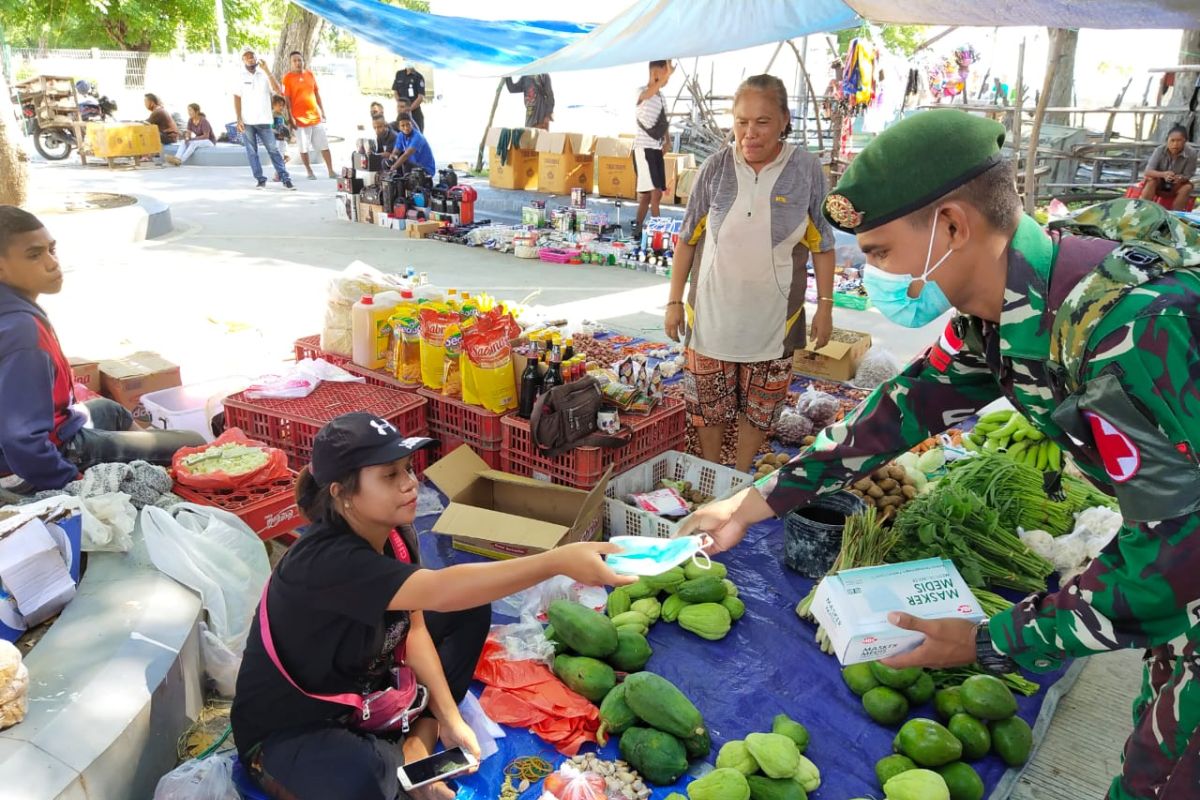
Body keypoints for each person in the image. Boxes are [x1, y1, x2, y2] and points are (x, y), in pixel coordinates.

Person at [678, 109, 1200, 800]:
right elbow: (898, 411)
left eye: (883, 253)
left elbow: (1173, 560)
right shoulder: (1001, 314)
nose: (875, 279)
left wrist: (988, 641)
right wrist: (752, 504)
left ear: (953, 226)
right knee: (1156, 755)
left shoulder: (1126, 332)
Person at [232, 412, 633, 800]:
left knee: (469, 610)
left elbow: (416, 628)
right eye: (390, 475)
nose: (410, 484)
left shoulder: (393, 534)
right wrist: (555, 560)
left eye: (408, 469)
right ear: (341, 493)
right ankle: (405, 758)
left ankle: (414, 745)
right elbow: (441, 588)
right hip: (295, 728)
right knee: (361, 778)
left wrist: (449, 718)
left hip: (364, 681)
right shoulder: (324, 561)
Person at [664, 74, 835, 473]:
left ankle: (739, 473)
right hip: (712, 313)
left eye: (762, 122)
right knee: (709, 405)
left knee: (761, 406)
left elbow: (823, 244)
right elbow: (688, 238)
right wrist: (673, 301)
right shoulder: (716, 168)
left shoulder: (806, 170)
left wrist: (825, 306)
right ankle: (712, 471)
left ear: (783, 121)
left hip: (775, 316)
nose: (749, 133)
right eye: (741, 122)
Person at [0, 207, 204, 499]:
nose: (51, 263)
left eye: (52, 249)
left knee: (110, 410)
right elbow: (21, 441)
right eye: (34, 255)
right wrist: (75, 483)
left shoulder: (15, 310)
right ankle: (140, 471)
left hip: (50, 433)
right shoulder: (22, 332)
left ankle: (139, 458)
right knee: (192, 443)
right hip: (35, 463)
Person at [233, 46, 294, 190]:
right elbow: (236, 97)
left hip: (265, 121)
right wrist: (238, 118)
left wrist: (267, 70)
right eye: (247, 56)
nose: (250, 58)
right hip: (248, 121)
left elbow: (278, 90)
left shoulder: (264, 75)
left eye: (252, 55)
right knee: (252, 152)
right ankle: (260, 179)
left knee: (273, 150)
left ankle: (285, 178)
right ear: (243, 60)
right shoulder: (240, 77)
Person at [282, 51, 336, 180]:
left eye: (299, 60)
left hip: (315, 117)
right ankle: (309, 171)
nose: (297, 63)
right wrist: (291, 117)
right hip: (299, 119)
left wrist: (322, 110)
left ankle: (331, 170)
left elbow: (316, 93)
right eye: (294, 60)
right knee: (304, 147)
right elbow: (287, 99)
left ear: (303, 61)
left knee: (324, 145)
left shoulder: (310, 74)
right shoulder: (287, 78)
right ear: (291, 63)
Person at [634, 60, 673, 234]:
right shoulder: (641, 92)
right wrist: (660, 80)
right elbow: (648, 94)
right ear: (655, 72)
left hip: (656, 149)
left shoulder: (662, 97)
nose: (667, 79)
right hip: (643, 149)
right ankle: (660, 232)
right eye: (665, 74)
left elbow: (664, 121)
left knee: (648, 196)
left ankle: (638, 227)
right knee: (655, 194)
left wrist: (667, 140)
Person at [1141, 124, 1196, 210]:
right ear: (1167, 140)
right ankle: (1143, 209)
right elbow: (1148, 171)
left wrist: (1180, 178)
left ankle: (1176, 215)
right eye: (1172, 140)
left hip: (1176, 185)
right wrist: (1163, 174)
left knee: (1187, 187)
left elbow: (1188, 175)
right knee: (1151, 181)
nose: (1175, 144)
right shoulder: (1159, 150)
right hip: (1159, 183)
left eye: (1179, 141)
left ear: (1185, 141)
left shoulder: (1191, 153)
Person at [392, 64, 427, 133]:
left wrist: (408, 109)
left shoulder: (418, 77)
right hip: (401, 114)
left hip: (415, 113)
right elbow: (395, 91)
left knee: (417, 136)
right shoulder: (399, 74)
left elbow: (420, 97)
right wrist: (400, 106)